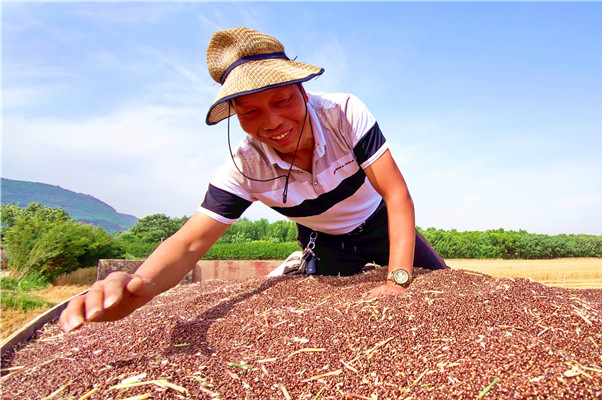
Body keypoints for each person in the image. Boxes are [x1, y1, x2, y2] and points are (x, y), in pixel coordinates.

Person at [59, 27, 447, 333]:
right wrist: (140, 284)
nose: (272, 122)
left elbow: (396, 194)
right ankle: (304, 261)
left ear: (303, 90)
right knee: (331, 317)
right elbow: (189, 241)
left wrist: (398, 280)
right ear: (235, 115)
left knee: (444, 287)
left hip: (382, 225)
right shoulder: (243, 168)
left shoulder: (344, 113)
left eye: (282, 101)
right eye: (249, 112)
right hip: (326, 242)